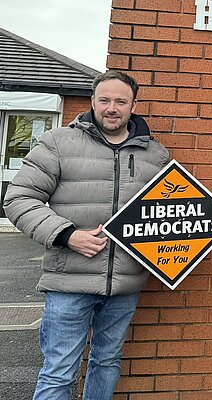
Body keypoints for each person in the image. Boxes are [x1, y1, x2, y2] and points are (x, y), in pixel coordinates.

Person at [3, 70, 169, 399]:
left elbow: (165, 214)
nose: (112, 107)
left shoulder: (156, 155)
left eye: (120, 101)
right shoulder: (58, 143)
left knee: (106, 362)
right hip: (70, 282)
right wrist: (67, 234)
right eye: (104, 100)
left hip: (124, 284)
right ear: (92, 101)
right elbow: (19, 199)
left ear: (134, 104)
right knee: (59, 372)